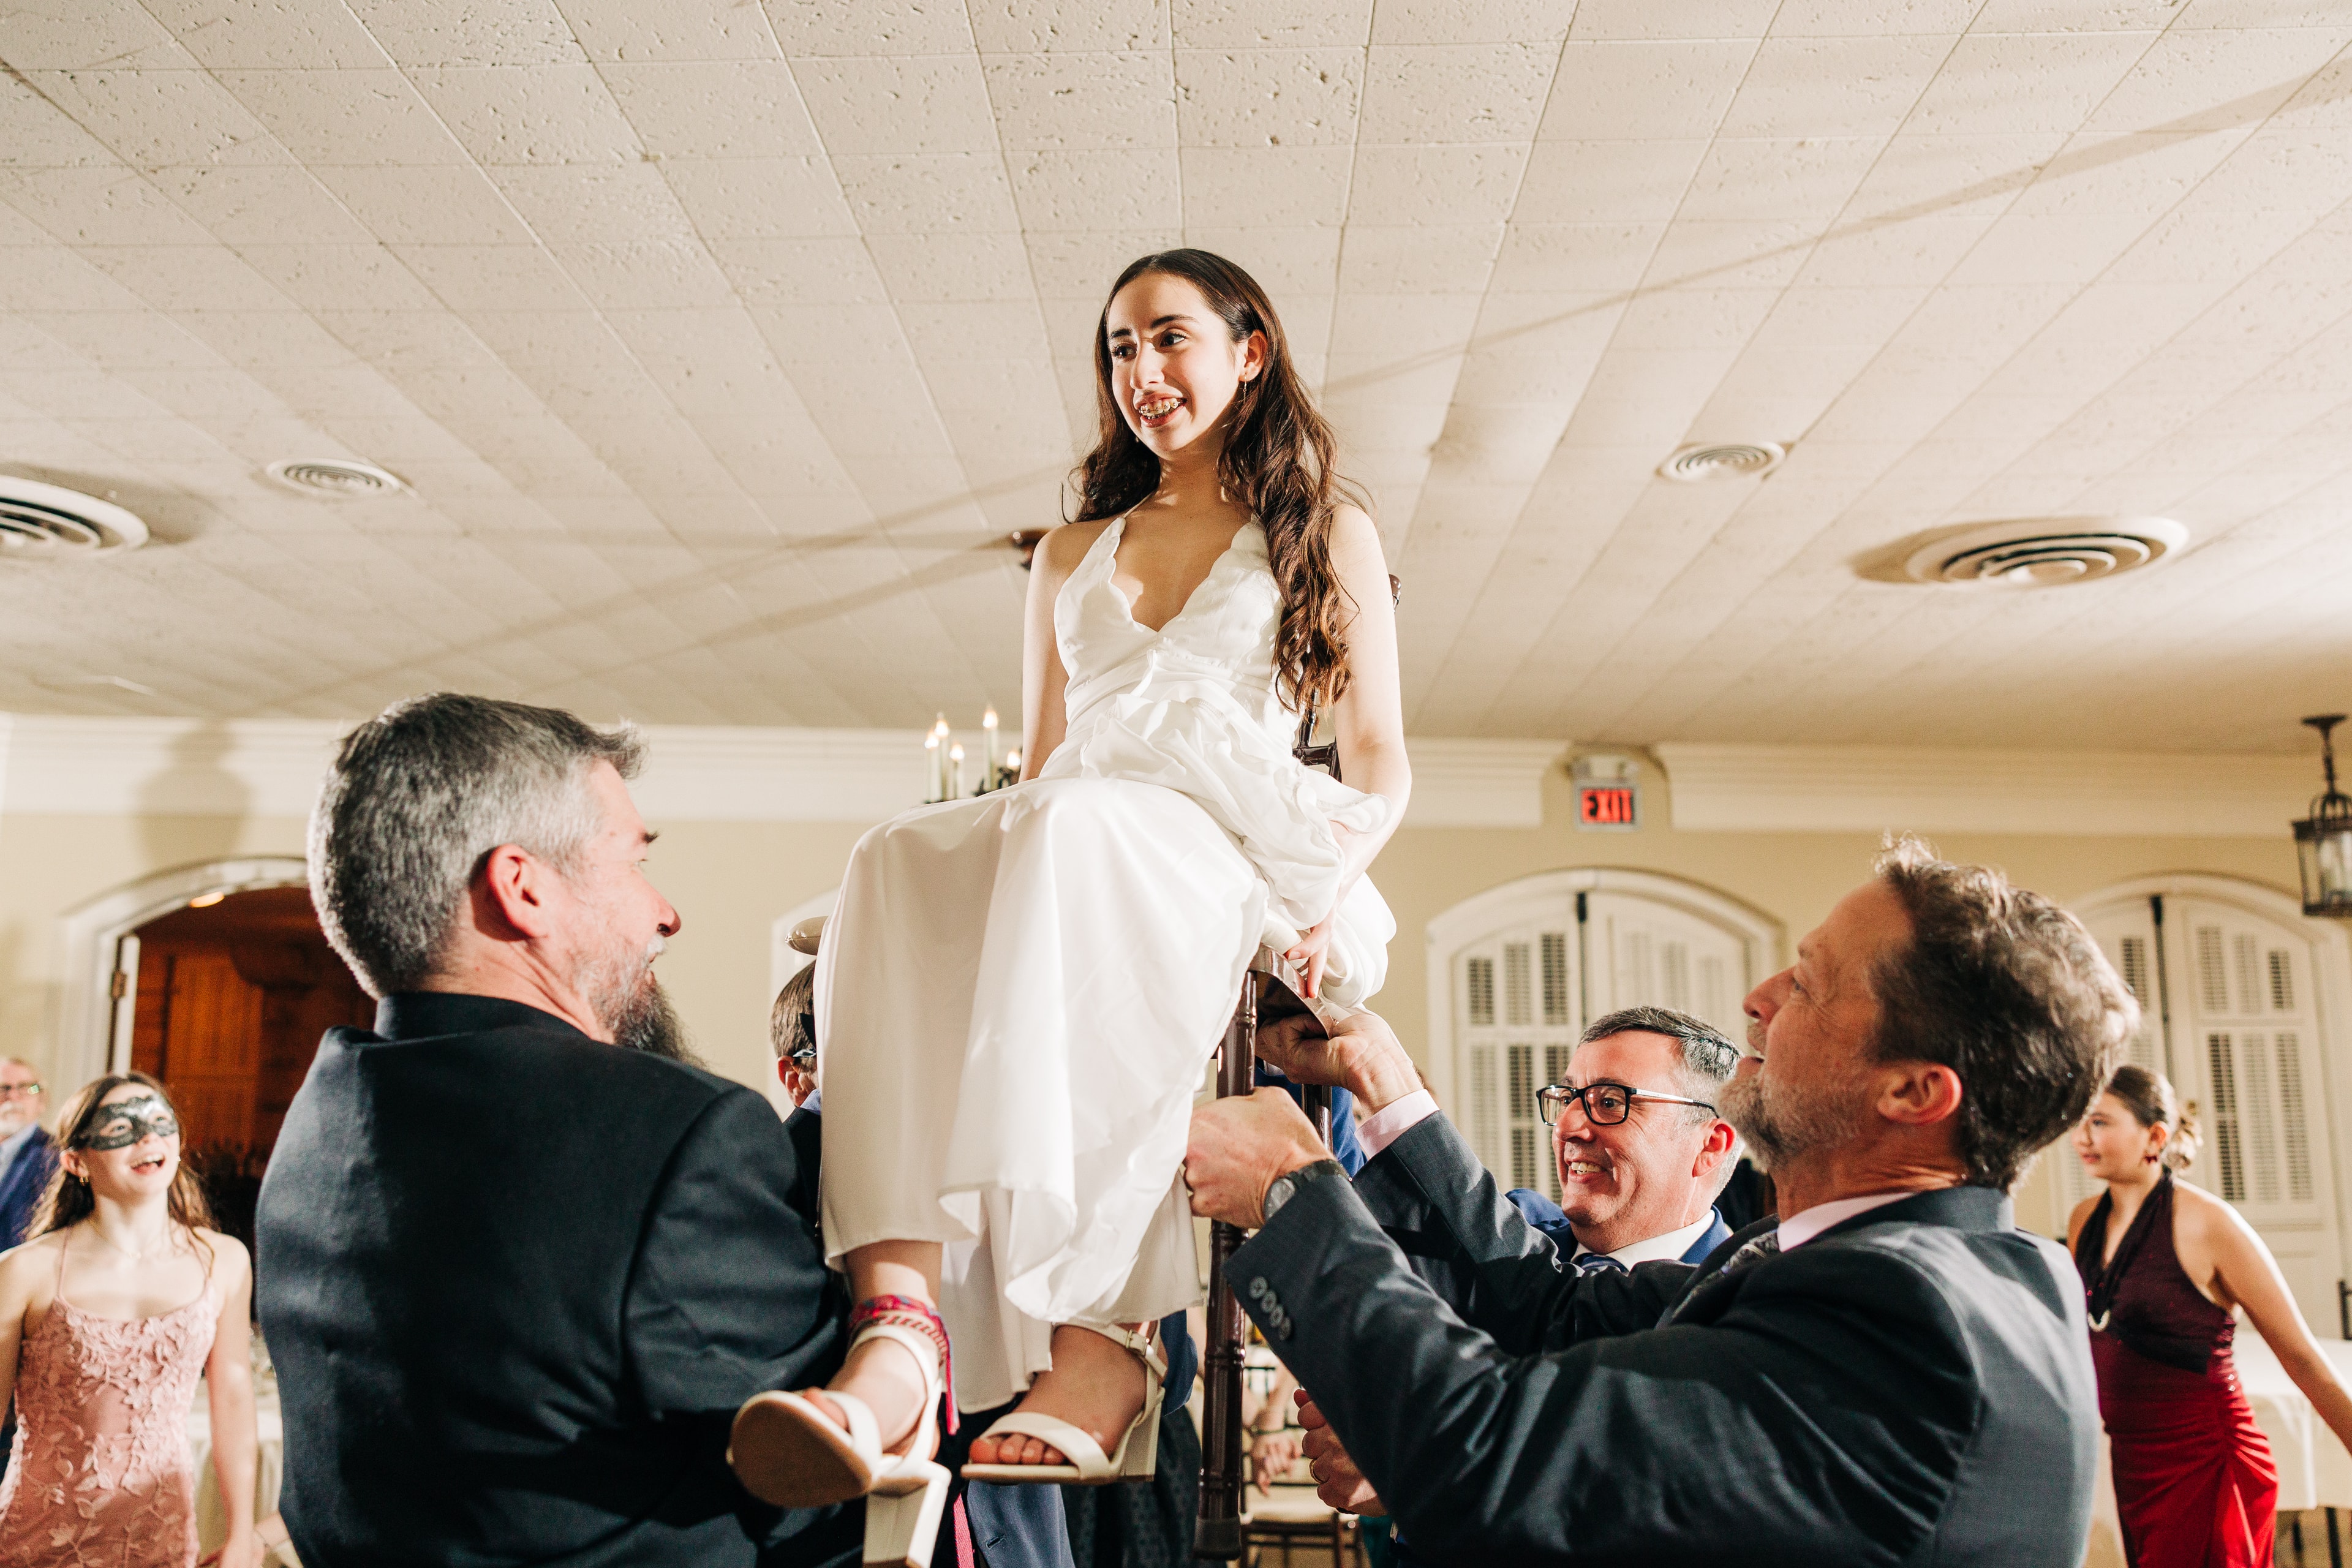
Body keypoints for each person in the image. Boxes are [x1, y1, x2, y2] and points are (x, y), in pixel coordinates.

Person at [731, 249, 1411, 1518]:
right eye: (1118, 348)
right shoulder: (1069, 551)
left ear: (1248, 350)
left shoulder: (1324, 532)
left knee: (1075, 835)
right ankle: (903, 1322)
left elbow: (1379, 757)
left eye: (1169, 339)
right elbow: (1043, 765)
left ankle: (1109, 1328)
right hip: (1084, 816)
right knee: (893, 854)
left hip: (1226, 834)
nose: (1141, 372)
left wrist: (1327, 886)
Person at [1184, 839, 2134, 1564]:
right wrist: (1386, 1083)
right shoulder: (1897, 1265)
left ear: (1915, 1094)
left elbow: (1499, 1461)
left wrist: (1295, 1193)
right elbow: (1543, 1301)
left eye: (1811, 982)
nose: (1760, 999)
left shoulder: (1913, 1320)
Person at [255, 694, 859, 1568]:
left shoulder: (324, 1120)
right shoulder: (675, 1135)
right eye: (634, 861)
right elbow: (828, 1472)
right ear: (524, 888)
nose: (665, 912)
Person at [2071, 1065, 2352, 1568]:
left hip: (2209, 1464)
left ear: (2154, 1136)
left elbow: (2302, 1357)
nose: (2081, 1137)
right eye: (2081, 1122)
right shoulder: (2083, 1222)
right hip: (2133, 1464)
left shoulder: (2209, 1223)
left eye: (2100, 1123)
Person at [0, 1074, 261, 1568]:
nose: (148, 1139)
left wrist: (243, 1534)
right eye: (121, 1127)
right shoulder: (24, 1269)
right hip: (39, 1536)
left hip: (159, 1530)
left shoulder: (224, 1260)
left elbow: (232, 1397)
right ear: (76, 1161)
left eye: (161, 1123)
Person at [1502, 1006, 1738, 1270]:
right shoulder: (1502, 1245)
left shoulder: (1742, 1300)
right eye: (1568, 1100)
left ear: (1710, 1146)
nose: (1565, 1129)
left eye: (1609, 1102)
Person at [0, 1060, 56, 1251]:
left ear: (41, 1101)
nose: (12, 1097)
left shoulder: (56, 1157)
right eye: (3, 1088)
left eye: (25, 1088)